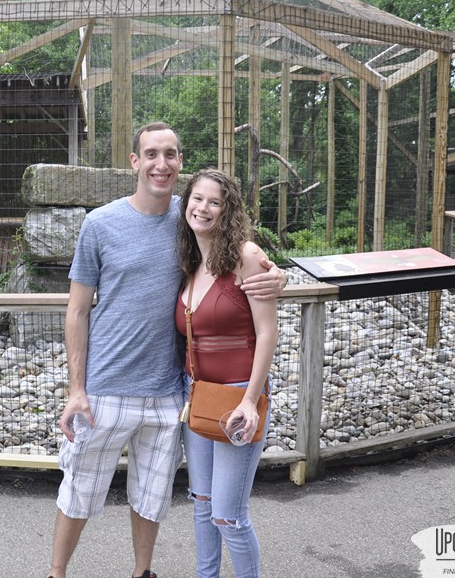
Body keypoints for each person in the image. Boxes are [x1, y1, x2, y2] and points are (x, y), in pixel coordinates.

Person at [46, 123, 285, 578]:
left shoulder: (191, 216)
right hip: (106, 389)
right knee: (79, 489)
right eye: (151, 154)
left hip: (170, 393)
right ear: (134, 161)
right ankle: (57, 573)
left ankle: (143, 573)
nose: (161, 163)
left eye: (171, 154)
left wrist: (279, 279)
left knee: (153, 496)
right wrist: (76, 389)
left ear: (180, 162)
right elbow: (76, 311)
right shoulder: (100, 224)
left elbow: (243, 265)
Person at [175, 168, 278, 578]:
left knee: (227, 516)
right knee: (201, 503)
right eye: (197, 198)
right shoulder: (189, 261)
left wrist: (251, 402)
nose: (203, 208)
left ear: (227, 209)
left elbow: (268, 332)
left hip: (238, 396)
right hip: (197, 394)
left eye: (214, 201)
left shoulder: (247, 257)